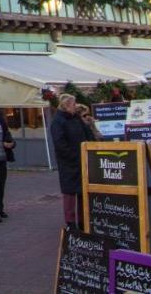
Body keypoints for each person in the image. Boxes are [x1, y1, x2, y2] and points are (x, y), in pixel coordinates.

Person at [51, 93, 93, 229]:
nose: (76, 106)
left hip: (82, 160)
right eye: (73, 104)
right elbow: (60, 143)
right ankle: (70, 222)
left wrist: (91, 146)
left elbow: (87, 133)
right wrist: (73, 156)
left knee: (82, 192)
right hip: (69, 163)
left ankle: (82, 220)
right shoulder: (58, 121)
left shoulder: (76, 118)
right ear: (66, 106)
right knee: (69, 193)